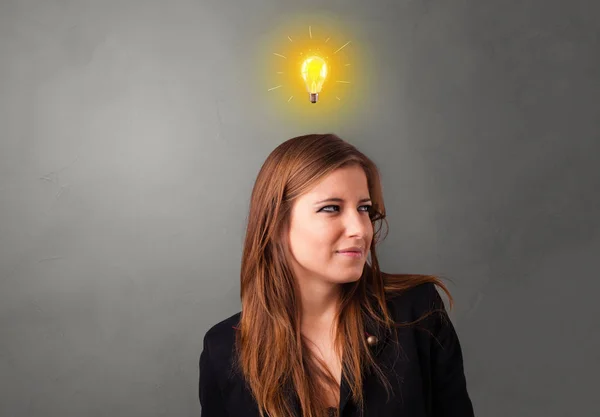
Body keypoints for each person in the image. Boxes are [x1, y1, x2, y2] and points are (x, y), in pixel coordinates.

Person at [199, 133, 475, 417]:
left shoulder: (416, 312)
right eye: (331, 208)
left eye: (364, 208)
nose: (360, 229)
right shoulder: (224, 349)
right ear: (277, 223)